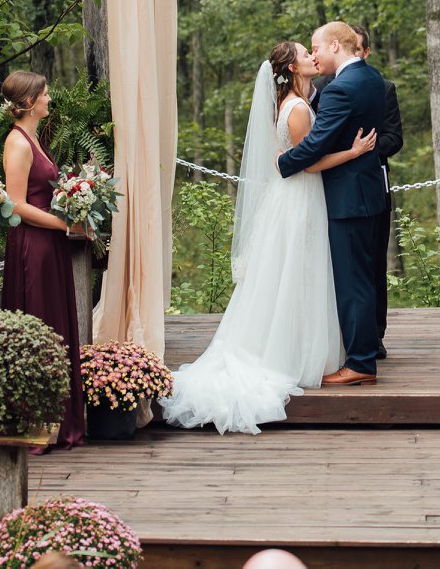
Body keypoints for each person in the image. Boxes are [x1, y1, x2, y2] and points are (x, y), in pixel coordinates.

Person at [162, 41, 376, 433]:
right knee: (296, 272)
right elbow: (307, 166)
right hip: (299, 200)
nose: (313, 57)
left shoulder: (299, 100)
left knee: (295, 273)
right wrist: (354, 152)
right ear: (293, 68)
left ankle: (300, 348)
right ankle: (288, 353)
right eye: (304, 53)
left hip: (297, 199)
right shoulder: (296, 109)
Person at [278, 21, 389, 387]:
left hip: (347, 198)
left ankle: (359, 363)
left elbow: (316, 144)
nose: (315, 54)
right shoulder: (373, 79)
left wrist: (284, 163)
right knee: (365, 278)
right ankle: (364, 351)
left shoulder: (341, 88)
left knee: (353, 282)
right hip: (369, 194)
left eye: (317, 47)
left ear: (337, 47)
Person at [0, 70, 87, 450]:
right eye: (46, 95)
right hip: (33, 245)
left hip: (47, 242)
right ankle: (38, 423)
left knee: (54, 323)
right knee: (40, 321)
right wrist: (62, 222)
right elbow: (14, 203)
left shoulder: (32, 137)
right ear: (30, 102)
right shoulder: (17, 143)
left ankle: (56, 419)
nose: (51, 99)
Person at [352, 25, 403, 359]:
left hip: (374, 185)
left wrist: (363, 151)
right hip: (332, 186)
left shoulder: (384, 88)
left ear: (366, 52)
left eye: (358, 49)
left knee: (374, 266)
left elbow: (394, 138)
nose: (354, 54)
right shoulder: (325, 88)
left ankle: (375, 335)